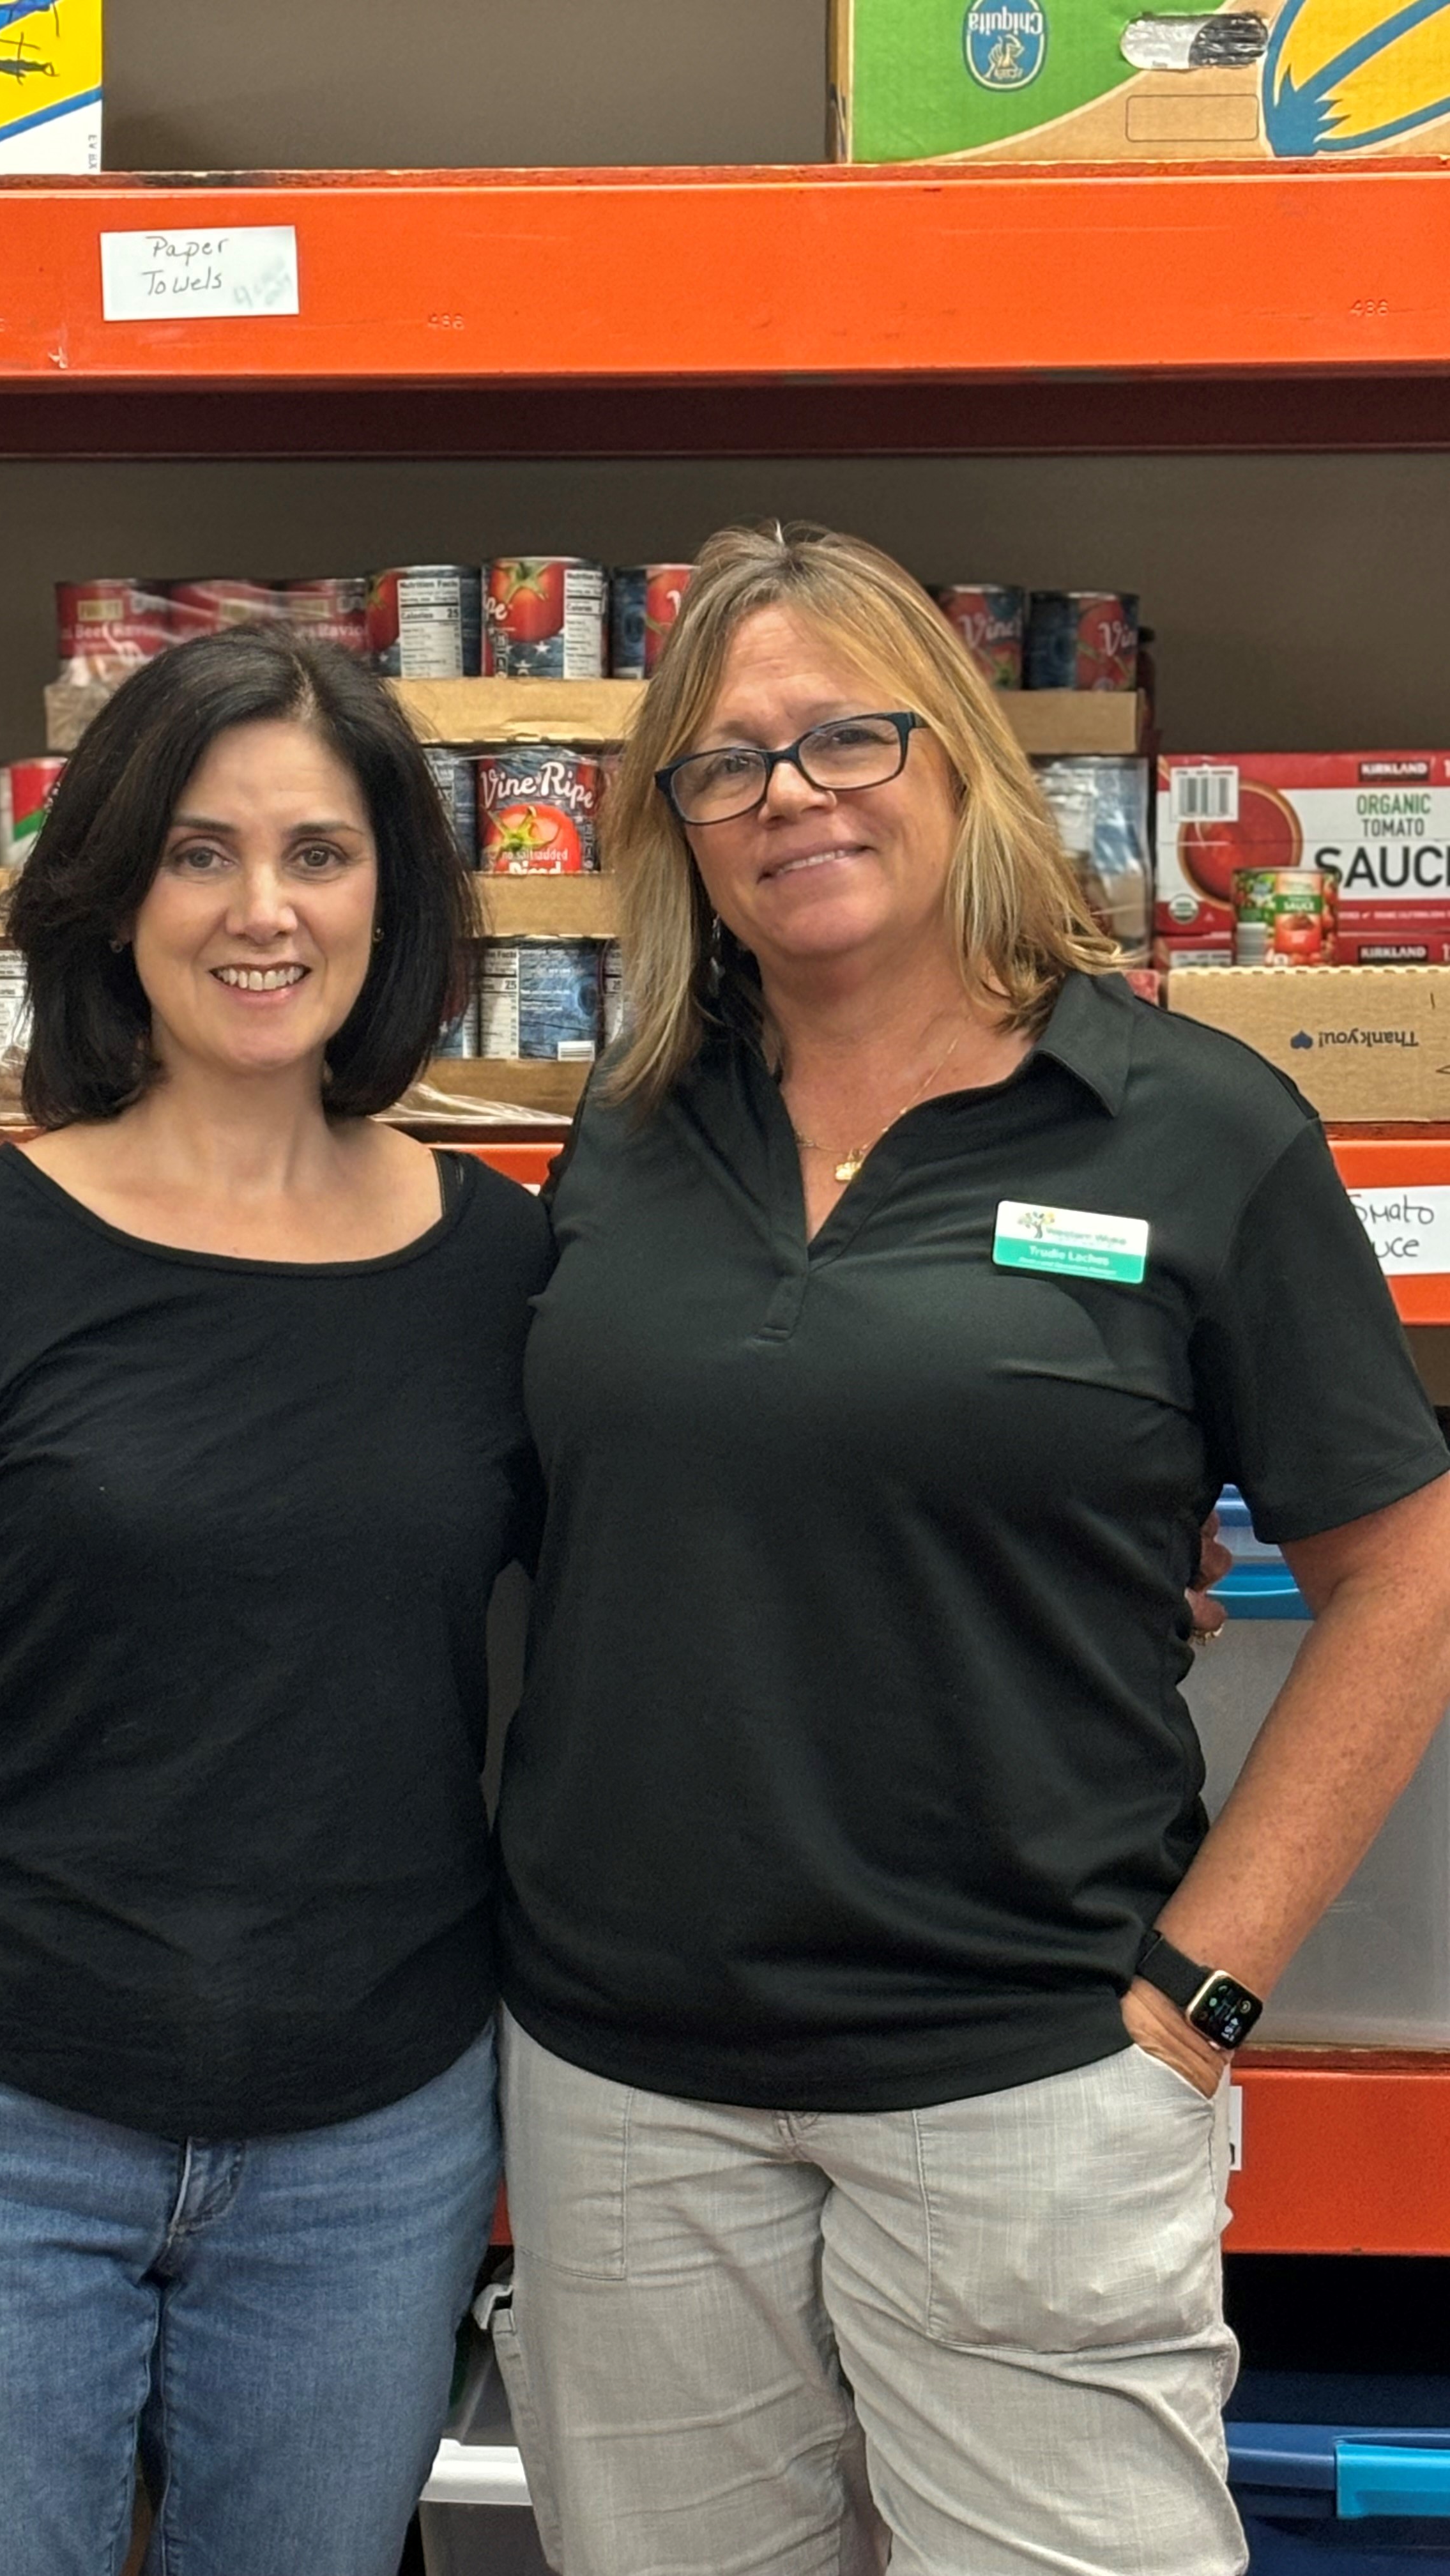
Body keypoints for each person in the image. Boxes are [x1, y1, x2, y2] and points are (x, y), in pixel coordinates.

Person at [489, 521, 1450, 2576]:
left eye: (848, 733)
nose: (792, 795)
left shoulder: (1195, 1126)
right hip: (626, 2086)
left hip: (1030, 2074)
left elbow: (1407, 1565)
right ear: (678, 827)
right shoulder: (634, 1121)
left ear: (963, 764)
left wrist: (1208, 1987)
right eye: (727, 764)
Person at [0, 625, 553, 2576]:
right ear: (110, 899)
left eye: (320, 854)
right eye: (199, 853)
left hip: (375, 2142)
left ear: (393, 899)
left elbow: (677, 1604)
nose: (263, 911)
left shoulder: (505, 1268)